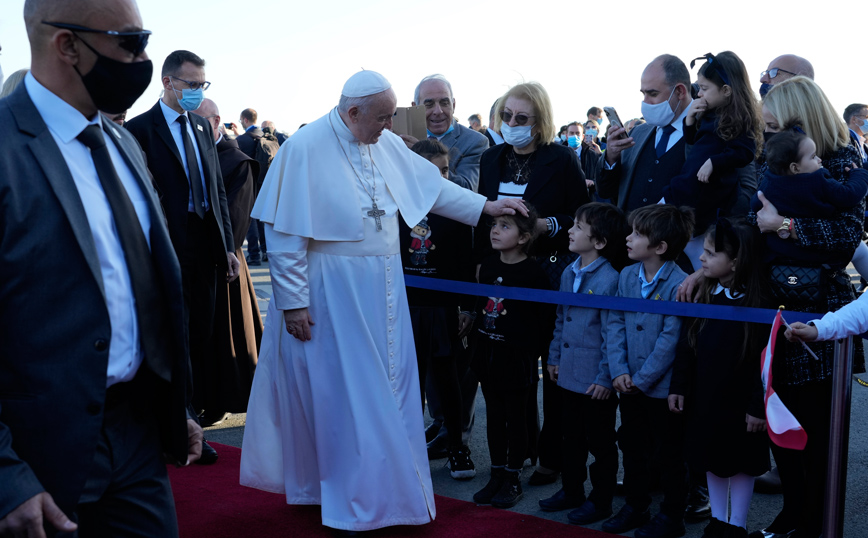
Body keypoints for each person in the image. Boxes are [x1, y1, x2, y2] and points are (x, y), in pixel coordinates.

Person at [238, 70, 527, 535]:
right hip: (333, 291)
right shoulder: (305, 147)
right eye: (382, 118)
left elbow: (429, 187)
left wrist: (485, 207)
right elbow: (285, 233)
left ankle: (386, 490)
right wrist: (292, 303)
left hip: (385, 286)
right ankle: (351, 497)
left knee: (388, 390)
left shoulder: (384, 142)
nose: (390, 126)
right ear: (352, 112)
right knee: (347, 394)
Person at [0, 0, 203, 536]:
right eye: (130, 42)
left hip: (136, 437)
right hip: (37, 453)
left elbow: (142, 286)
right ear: (67, 45)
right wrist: (5, 477)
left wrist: (171, 405)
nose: (142, 59)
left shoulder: (120, 144)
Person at [746, 76, 865, 538]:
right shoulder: (772, 156)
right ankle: (794, 512)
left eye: (775, 124)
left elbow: (845, 240)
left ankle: (816, 517)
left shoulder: (842, 160)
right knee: (782, 418)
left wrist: (785, 227)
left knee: (818, 428)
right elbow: (752, 222)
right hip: (773, 304)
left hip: (824, 310)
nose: (768, 133)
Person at [125, 50, 238, 463]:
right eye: (192, 85)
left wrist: (227, 244)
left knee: (200, 336)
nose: (197, 92)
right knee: (176, 336)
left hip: (205, 246)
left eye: (203, 86)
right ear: (169, 83)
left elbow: (217, 191)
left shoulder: (201, 129)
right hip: (166, 247)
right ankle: (181, 424)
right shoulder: (140, 130)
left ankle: (189, 420)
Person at [477, 81, 590, 487]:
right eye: (506, 116)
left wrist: (549, 226)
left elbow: (580, 212)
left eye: (521, 118)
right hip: (502, 275)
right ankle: (516, 452)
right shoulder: (492, 158)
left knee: (551, 364)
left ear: (539, 121)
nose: (511, 123)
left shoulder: (560, 158)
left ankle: (551, 453)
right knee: (510, 362)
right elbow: (482, 212)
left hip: (550, 272)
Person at [669, 219, 769, 538]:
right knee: (710, 456)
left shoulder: (759, 303)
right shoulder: (706, 294)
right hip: (706, 395)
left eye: (711, 253)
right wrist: (679, 385)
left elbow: (765, 361)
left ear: (736, 261)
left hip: (741, 401)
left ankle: (736, 525)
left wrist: (757, 405)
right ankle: (718, 519)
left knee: (740, 461)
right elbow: (688, 343)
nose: (702, 258)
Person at [601, 204, 695, 538]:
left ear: (660, 247)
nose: (628, 238)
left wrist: (640, 380)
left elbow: (672, 339)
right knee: (632, 446)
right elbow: (615, 323)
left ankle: (673, 514)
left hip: (659, 387)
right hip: (628, 383)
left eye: (638, 234)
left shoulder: (680, 284)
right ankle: (635, 505)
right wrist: (618, 370)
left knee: (670, 454)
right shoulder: (627, 275)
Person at [538, 203, 630, 526]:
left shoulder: (610, 280)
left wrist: (606, 377)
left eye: (578, 227)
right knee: (570, 437)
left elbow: (612, 333)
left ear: (600, 242)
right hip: (568, 374)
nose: (570, 231)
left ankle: (600, 500)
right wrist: (553, 358)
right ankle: (572, 489)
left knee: (601, 443)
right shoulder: (568, 271)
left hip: (595, 381)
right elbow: (560, 318)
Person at [400, 139, 477, 479]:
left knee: (448, 381)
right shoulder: (396, 208)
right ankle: (408, 450)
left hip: (444, 307)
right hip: (406, 307)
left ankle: (458, 447)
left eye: (444, 170)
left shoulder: (456, 211)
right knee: (408, 383)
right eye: (430, 171)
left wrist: (468, 308)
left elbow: (466, 264)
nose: (439, 177)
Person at [470, 206, 551, 509]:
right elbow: (482, 305)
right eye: (494, 224)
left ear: (524, 237)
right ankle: (497, 472)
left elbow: (544, 319)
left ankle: (513, 476)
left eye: (505, 226)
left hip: (517, 359)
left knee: (516, 419)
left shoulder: (534, 274)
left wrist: (533, 352)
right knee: (493, 416)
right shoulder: (489, 266)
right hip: (489, 353)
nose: (495, 230)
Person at [195, 97, 264, 424]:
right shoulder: (194, 155)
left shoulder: (237, 161)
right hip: (197, 264)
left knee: (226, 337)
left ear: (215, 122)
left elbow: (235, 220)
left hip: (225, 264)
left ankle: (223, 399)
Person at [662, 51, 762, 266]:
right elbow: (694, 142)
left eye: (705, 89)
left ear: (726, 90)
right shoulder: (708, 112)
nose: (699, 94)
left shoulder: (739, 119)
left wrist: (714, 162)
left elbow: (744, 152)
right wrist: (689, 121)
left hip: (709, 198)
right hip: (686, 187)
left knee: (702, 257)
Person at [750, 121, 868, 264]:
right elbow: (849, 195)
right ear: (795, 168)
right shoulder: (818, 179)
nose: (819, 159)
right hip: (818, 255)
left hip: (780, 253)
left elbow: (756, 206)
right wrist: (860, 175)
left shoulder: (769, 181)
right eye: (813, 157)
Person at [596, 55, 695, 212]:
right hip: (628, 234)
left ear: (680, 91)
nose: (645, 102)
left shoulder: (709, 131)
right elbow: (606, 191)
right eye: (643, 94)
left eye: (653, 94)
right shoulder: (638, 133)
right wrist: (611, 158)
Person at [399, 74, 489, 192]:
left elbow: (468, 189)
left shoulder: (475, 142)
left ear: (454, 105)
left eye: (444, 103)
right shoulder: (403, 140)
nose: (438, 111)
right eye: (429, 104)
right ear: (414, 107)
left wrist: (424, 158)